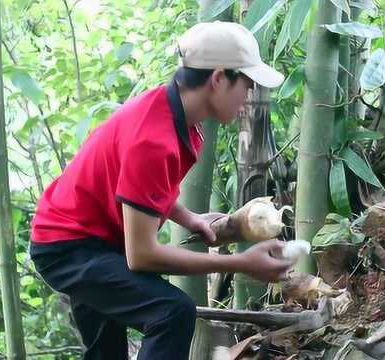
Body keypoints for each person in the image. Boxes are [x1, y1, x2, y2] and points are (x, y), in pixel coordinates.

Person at [29, 21, 294, 360]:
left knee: (106, 352)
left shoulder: (175, 117)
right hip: (69, 246)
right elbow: (141, 256)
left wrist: (188, 217)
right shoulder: (153, 138)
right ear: (218, 79)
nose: (250, 96)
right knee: (171, 312)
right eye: (247, 84)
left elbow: (141, 187)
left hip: (94, 238)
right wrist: (242, 262)